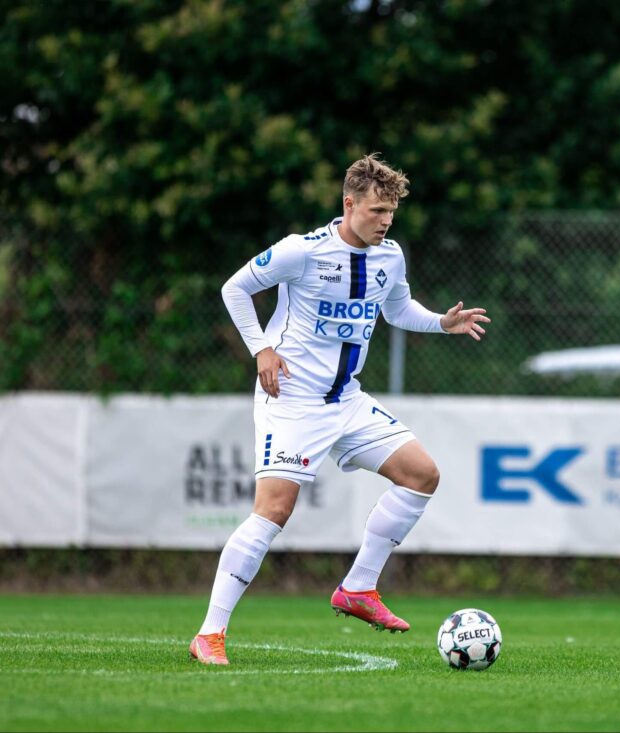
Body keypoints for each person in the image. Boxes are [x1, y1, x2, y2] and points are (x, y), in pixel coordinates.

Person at [189, 153, 491, 665]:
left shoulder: (389, 256)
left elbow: (398, 309)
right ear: (349, 204)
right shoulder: (302, 251)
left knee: (421, 475)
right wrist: (262, 348)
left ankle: (358, 588)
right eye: (376, 211)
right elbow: (234, 288)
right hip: (292, 400)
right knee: (274, 510)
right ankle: (210, 634)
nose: (385, 221)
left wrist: (441, 322)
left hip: (346, 400)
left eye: (391, 212)